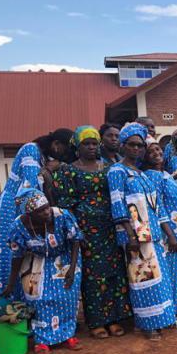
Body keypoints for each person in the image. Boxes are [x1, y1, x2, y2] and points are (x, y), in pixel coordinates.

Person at [0, 128, 73, 333]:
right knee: (10, 257)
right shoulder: (31, 150)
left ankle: (22, 314)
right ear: (56, 144)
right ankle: (1, 316)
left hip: (27, 211)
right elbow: (32, 190)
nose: (63, 155)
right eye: (64, 150)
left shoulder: (41, 156)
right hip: (12, 211)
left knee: (25, 260)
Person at [52, 126, 131, 339]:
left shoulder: (109, 167)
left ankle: (115, 318)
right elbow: (65, 203)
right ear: (77, 147)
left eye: (94, 143)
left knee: (115, 272)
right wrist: (76, 230)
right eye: (86, 144)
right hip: (86, 230)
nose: (91, 147)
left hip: (110, 227)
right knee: (93, 276)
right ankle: (97, 320)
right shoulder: (68, 171)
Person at [108, 123, 177, 340]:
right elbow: (117, 203)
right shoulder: (117, 171)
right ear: (123, 146)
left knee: (159, 279)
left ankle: (161, 319)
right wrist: (130, 236)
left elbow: (159, 207)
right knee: (143, 279)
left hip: (154, 233)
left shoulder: (144, 175)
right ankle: (147, 324)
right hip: (136, 235)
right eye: (132, 145)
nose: (136, 149)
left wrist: (171, 234)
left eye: (140, 146)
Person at [1, 189, 82, 354]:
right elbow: (17, 256)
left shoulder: (61, 215)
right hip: (36, 260)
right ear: (30, 214)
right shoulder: (18, 226)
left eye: (47, 207)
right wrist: (10, 283)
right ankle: (42, 339)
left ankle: (67, 335)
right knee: (38, 296)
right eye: (41, 211)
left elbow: (75, 241)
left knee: (66, 295)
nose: (47, 212)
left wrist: (72, 270)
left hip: (64, 258)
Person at [143, 138, 177, 327]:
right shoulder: (151, 177)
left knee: (176, 273)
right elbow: (158, 208)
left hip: (175, 232)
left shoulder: (164, 174)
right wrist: (170, 234)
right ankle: (169, 316)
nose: (157, 153)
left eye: (159, 150)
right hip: (165, 234)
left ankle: (175, 313)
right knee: (168, 274)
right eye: (151, 151)